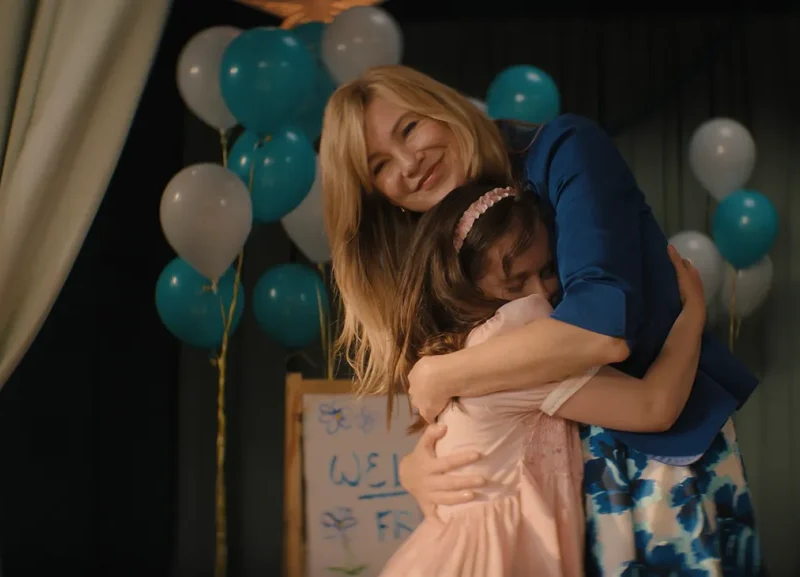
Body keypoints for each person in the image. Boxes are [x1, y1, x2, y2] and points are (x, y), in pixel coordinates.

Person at [320, 65, 762, 575]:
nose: (408, 162)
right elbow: (473, 408)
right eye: (379, 166)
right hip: (538, 504)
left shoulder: (562, 149)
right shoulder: (434, 255)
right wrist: (417, 465)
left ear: (444, 106)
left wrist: (441, 375)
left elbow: (600, 327)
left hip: (652, 461)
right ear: (379, 197)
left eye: (409, 129)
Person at [379, 182, 706, 577]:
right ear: (463, 283)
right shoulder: (517, 332)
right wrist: (693, 317)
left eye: (548, 271)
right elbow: (654, 407)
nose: (540, 294)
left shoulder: (465, 345)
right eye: (516, 283)